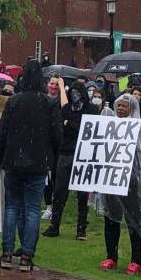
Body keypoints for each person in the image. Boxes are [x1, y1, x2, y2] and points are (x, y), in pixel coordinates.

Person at [0, 60, 62, 272]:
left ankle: (7, 252)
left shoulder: (14, 101)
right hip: (38, 162)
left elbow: (2, 132)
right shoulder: (49, 103)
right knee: (33, 209)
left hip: (14, 160)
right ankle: (26, 255)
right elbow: (57, 136)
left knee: (12, 207)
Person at [96, 93, 141, 274]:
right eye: (119, 105)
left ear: (132, 108)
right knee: (111, 219)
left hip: (133, 184)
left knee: (135, 222)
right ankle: (111, 257)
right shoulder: (109, 127)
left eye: (125, 106)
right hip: (111, 181)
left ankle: (136, 261)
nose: (121, 109)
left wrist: (138, 177)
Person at [45, 80, 96, 240]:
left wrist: (71, 124)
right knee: (59, 191)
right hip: (66, 153)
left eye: (78, 92)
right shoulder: (67, 108)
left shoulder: (92, 109)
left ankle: (81, 229)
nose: (75, 95)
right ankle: (55, 225)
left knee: (82, 194)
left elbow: (88, 129)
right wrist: (73, 125)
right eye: (72, 92)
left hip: (83, 154)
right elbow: (60, 127)